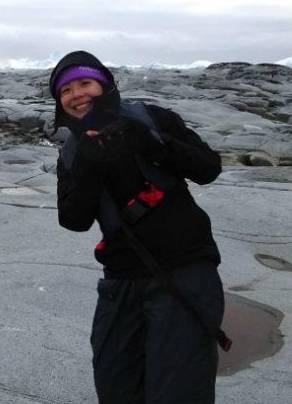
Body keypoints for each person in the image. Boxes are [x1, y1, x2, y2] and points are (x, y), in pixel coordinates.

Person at [50, 50, 225, 404]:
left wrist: (151, 142)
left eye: (85, 83)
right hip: (120, 281)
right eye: (65, 91)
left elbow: (208, 167)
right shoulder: (71, 152)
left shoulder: (151, 118)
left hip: (185, 269)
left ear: (105, 85)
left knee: (178, 392)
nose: (76, 95)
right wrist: (88, 163)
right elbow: (74, 220)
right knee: (116, 387)